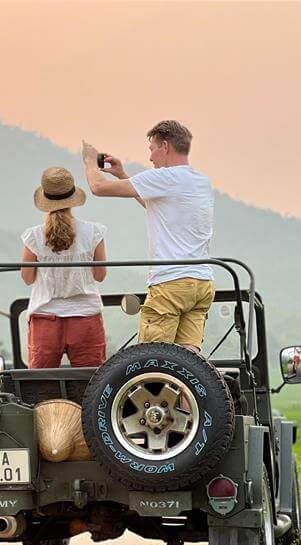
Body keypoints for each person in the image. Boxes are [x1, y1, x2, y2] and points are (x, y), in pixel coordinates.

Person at [81, 120, 214, 353]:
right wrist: (122, 174)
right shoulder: (200, 181)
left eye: (151, 149)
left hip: (170, 283)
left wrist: (90, 161)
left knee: (151, 361)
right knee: (188, 362)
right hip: (201, 283)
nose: (151, 158)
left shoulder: (165, 178)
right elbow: (158, 207)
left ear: (165, 146)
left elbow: (98, 187)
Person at [21, 166, 108, 368]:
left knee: (40, 385)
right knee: (90, 384)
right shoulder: (94, 232)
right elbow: (100, 275)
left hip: (45, 319)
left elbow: (27, 278)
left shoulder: (33, 236)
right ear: (73, 199)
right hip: (85, 318)